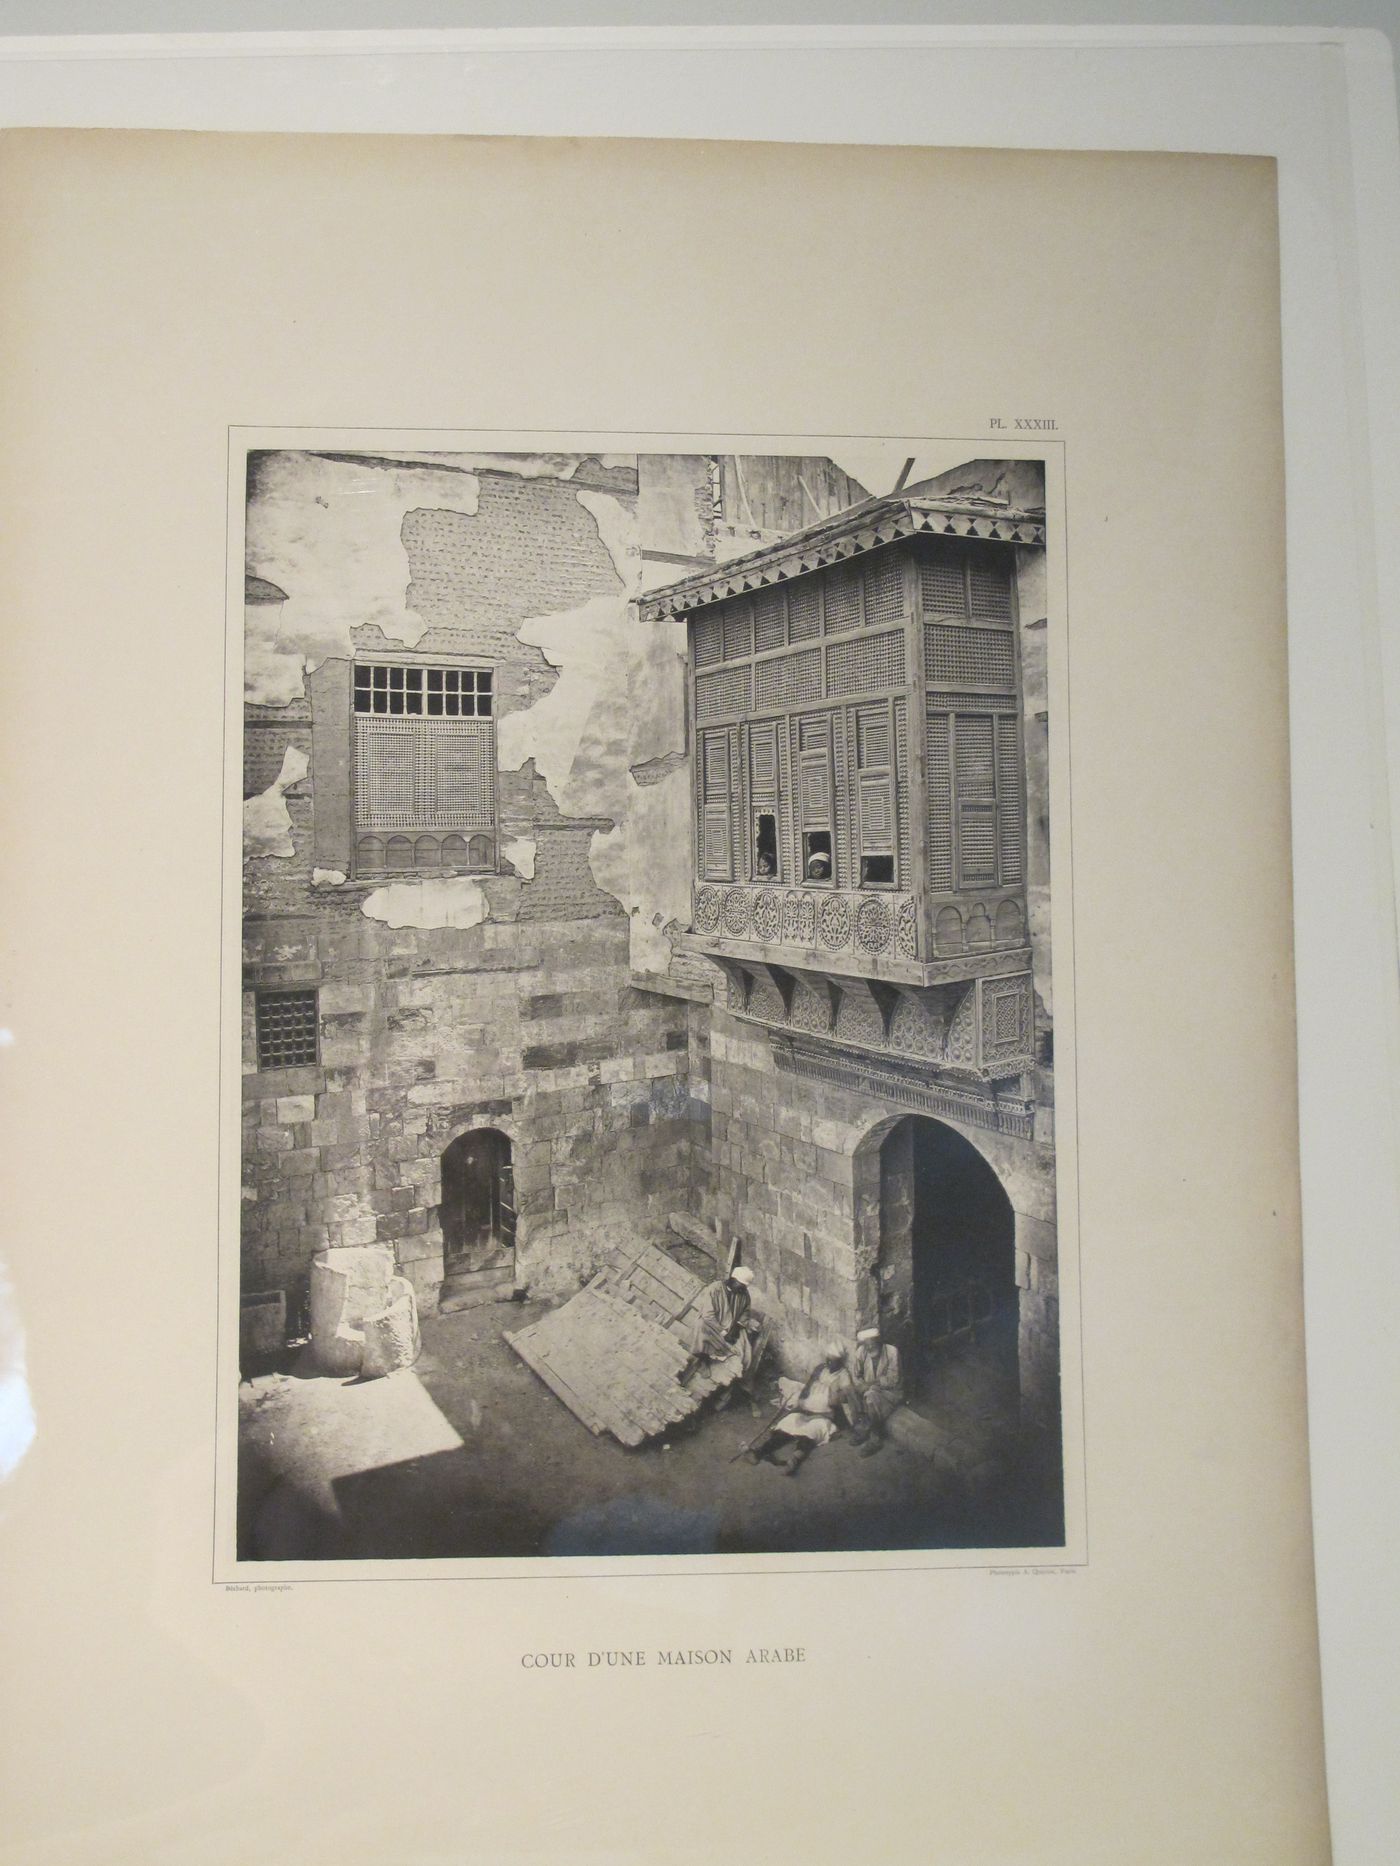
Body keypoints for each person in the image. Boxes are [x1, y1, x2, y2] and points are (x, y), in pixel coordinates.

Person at [746, 1341, 854, 1476]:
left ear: (840, 1361)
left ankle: (794, 1460)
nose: (829, 1363)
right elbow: (807, 1387)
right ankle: (760, 1452)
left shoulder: (844, 1377)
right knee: (789, 1423)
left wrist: (823, 1412)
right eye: (828, 1359)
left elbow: (840, 1404)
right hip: (805, 1410)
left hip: (824, 1415)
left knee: (811, 1431)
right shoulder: (821, 1368)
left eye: (833, 1361)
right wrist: (801, 1403)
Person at [679, 1264, 756, 1385]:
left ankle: (726, 1359)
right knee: (701, 1326)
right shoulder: (715, 1288)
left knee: (744, 1351)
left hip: (731, 1325)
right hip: (713, 1324)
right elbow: (708, 1315)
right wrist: (723, 1331)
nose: (743, 1289)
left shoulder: (744, 1294)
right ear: (733, 1280)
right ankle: (703, 1358)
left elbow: (745, 1312)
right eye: (741, 1286)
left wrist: (738, 1326)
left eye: (745, 1287)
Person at [845, 1325, 903, 1456]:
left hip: (889, 1393)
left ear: (879, 1340)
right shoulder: (861, 1351)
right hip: (869, 1388)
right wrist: (860, 1386)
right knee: (849, 1390)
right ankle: (862, 1429)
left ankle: (875, 1438)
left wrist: (870, 1385)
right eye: (866, 1344)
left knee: (871, 1396)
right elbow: (856, 1375)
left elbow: (893, 1380)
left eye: (872, 1343)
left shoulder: (892, 1352)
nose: (869, 1347)